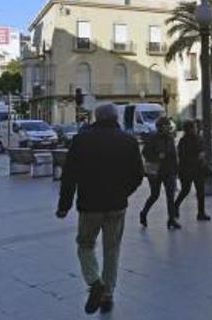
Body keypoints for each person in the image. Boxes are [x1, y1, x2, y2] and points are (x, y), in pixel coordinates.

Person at [56, 103, 144, 314]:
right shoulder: (128, 141)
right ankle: (107, 296)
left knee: (85, 245)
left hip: (89, 205)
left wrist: (64, 205)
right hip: (117, 206)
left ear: (96, 117)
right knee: (112, 250)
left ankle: (94, 281)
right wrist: (123, 193)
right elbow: (138, 176)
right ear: (115, 118)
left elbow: (69, 176)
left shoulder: (82, 139)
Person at [139, 117, 180, 230]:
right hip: (155, 172)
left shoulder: (170, 138)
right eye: (166, 126)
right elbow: (145, 152)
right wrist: (157, 156)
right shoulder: (152, 138)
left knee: (170, 196)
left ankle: (171, 220)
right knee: (155, 195)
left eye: (168, 126)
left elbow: (173, 156)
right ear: (160, 127)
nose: (168, 128)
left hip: (169, 171)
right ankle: (143, 213)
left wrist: (176, 170)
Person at [174, 120, 210, 222]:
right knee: (185, 190)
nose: (196, 128)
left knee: (200, 192)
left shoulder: (198, 138)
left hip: (197, 169)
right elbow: (183, 157)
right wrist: (198, 157)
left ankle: (201, 213)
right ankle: (175, 206)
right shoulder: (183, 141)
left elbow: (202, 149)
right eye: (194, 127)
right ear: (189, 129)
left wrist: (202, 154)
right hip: (187, 170)